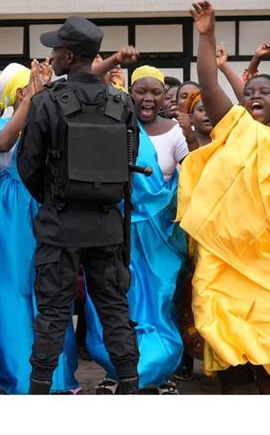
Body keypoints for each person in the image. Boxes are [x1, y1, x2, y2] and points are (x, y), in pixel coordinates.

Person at [177, 0, 270, 394]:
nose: (254, 95)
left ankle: (268, 389)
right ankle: (236, 389)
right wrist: (206, 37)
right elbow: (208, 84)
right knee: (219, 318)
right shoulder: (233, 124)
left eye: (264, 91)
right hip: (224, 247)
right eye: (248, 91)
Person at [17, 16, 141, 394]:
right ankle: (131, 388)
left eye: (55, 49)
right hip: (106, 226)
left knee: (53, 314)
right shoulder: (122, 102)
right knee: (114, 309)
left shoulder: (46, 101)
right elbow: (129, 166)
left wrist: (57, 198)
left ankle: (39, 391)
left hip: (59, 226)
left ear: (69, 56)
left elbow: (28, 167)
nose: (51, 55)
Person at [85, 65, 188, 395]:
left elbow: (189, 179)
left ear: (163, 97)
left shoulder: (174, 131)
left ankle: (158, 370)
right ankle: (115, 368)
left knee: (159, 299)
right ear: (130, 93)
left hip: (158, 235)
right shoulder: (115, 126)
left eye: (155, 92)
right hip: (115, 229)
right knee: (115, 299)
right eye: (141, 91)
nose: (148, 98)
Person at [0, 61, 79, 395]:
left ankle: (59, 377)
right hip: (8, 215)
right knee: (11, 290)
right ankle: (21, 377)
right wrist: (30, 103)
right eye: (28, 88)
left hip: (47, 205)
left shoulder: (52, 119)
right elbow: (4, 143)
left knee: (50, 288)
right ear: (17, 93)